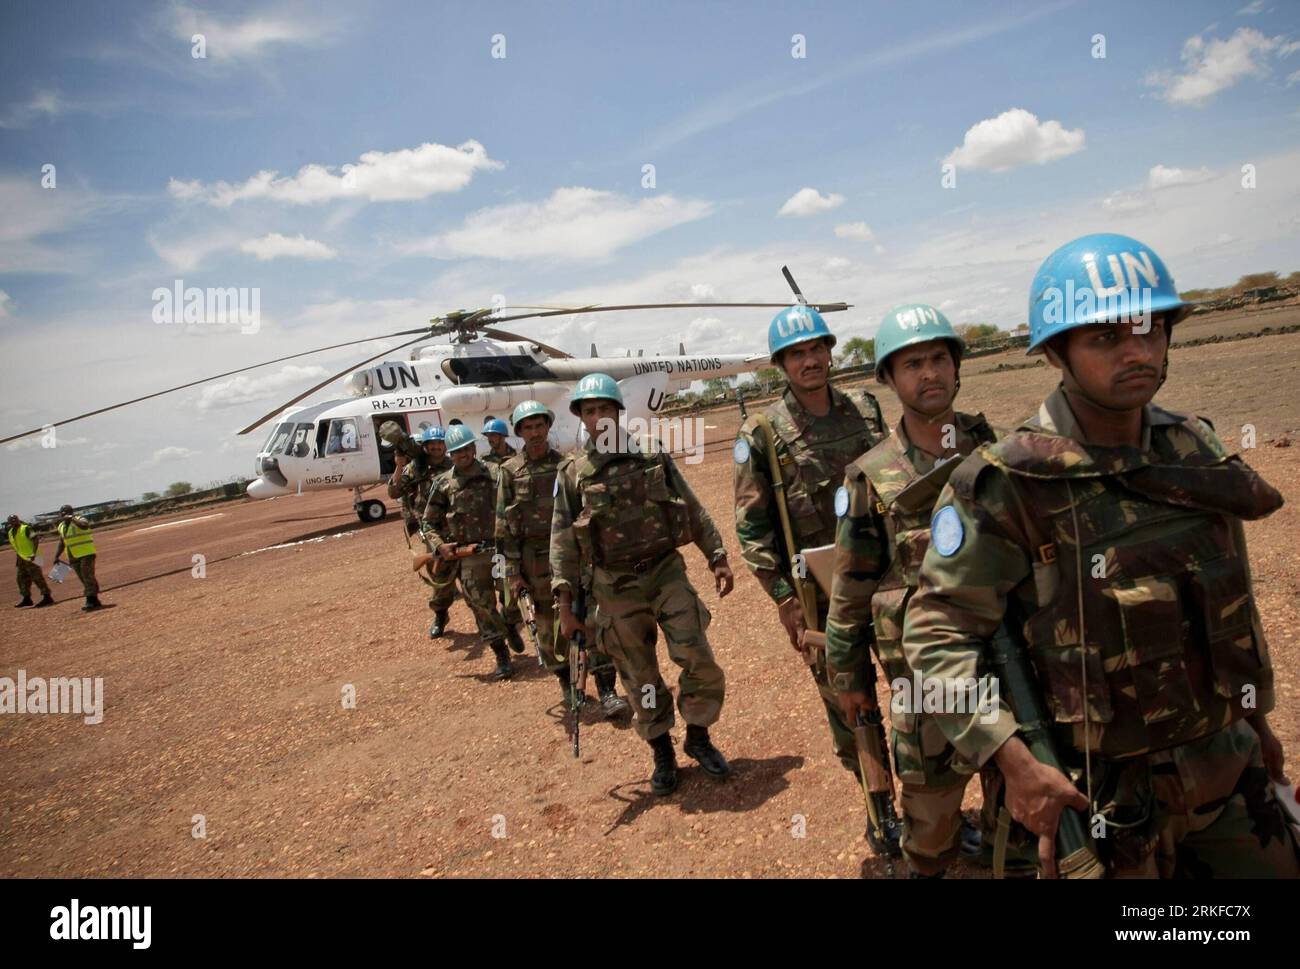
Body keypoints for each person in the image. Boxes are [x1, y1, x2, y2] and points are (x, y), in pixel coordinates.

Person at [904, 233, 1300, 878]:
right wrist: (1011, 759)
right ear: (1058, 352)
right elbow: (937, 635)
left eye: (1149, 329)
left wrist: (1256, 726)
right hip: (1100, 798)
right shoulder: (1008, 482)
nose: (1136, 351)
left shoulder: (1194, 449)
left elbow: (1229, 608)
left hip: (1229, 771)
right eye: (1106, 338)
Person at [824, 304, 994, 877]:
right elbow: (850, 586)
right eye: (913, 364)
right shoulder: (870, 475)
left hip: (1007, 659)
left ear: (956, 367)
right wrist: (848, 679)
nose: (929, 374)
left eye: (939, 359)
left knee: (1019, 808)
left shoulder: (993, 447)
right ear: (891, 380)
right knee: (930, 818)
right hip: (924, 677)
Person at [733, 304, 886, 829]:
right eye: (796, 353)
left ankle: (930, 810)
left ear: (829, 350)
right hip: (818, 598)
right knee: (851, 706)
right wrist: (783, 600)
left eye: (816, 348)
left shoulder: (866, 411)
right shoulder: (762, 434)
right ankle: (879, 807)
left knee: (918, 696)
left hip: (888, 582)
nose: (809, 360)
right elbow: (752, 530)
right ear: (782, 364)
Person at [551, 373, 734, 795]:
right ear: (581, 416)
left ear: (619, 411)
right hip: (613, 585)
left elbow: (689, 505)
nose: (599, 417)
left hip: (666, 571)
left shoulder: (651, 452)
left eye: (605, 408)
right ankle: (662, 751)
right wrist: (564, 607)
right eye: (589, 410)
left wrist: (717, 556)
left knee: (697, 656)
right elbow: (561, 541)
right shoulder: (573, 474)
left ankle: (699, 736)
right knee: (640, 676)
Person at [496, 400, 629, 717]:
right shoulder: (509, 473)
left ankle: (608, 691)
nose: (535, 432)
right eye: (528, 427)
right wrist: (513, 573)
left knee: (588, 619)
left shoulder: (567, 465)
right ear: (519, 432)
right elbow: (502, 527)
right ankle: (569, 688)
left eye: (540, 425)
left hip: (571, 554)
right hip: (533, 561)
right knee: (547, 631)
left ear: (548, 427)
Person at [422, 424, 518, 680]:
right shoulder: (443, 484)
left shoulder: (495, 473)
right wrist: (439, 545)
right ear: (450, 455)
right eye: (456, 451)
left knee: (512, 598)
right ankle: (502, 655)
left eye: (466, 449)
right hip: (470, 556)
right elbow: (428, 522)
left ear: (474, 448)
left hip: (500, 551)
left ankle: (510, 624)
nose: (462, 454)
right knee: (481, 606)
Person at [389, 427, 458, 637]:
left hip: (457, 526)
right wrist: (399, 467)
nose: (436, 446)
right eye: (431, 443)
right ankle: (440, 614)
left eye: (439, 442)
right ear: (426, 446)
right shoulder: (415, 468)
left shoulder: (454, 464)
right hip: (432, 531)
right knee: (440, 578)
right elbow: (394, 492)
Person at [52, 504, 103, 611]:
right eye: (63, 512)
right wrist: (56, 556)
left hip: (86, 553)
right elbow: (62, 542)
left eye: (68, 512)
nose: (65, 514)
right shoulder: (61, 526)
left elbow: (84, 526)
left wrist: (72, 519)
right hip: (72, 555)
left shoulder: (80, 519)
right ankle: (95, 599)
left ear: (72, 512)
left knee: (87, 575)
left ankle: (89, 599)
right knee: (83, 578)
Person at [6, 514, 54, 608]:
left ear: (19, 520)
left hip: (33, 557)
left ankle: (47, 597)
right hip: (21, 559)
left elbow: (35, 539)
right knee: (21, 579)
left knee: (37, 578)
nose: (14, 520)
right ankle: (26, 598)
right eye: (11, 520)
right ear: (9, 523)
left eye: (15, 519)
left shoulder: (26, 528)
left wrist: (33, 553)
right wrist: (19, 558)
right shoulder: (10, 532)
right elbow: (17, 546)